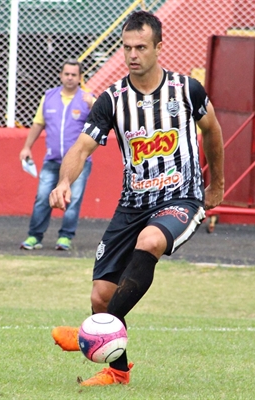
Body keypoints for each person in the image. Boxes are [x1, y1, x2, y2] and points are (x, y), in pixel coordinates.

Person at [50, 11, 224, 385]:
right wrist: (65, 181)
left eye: (141, 47)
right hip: (132, 204)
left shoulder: (187, 90)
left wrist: (217, 186)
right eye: (127, 47)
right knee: (101, 295)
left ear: (159, 47)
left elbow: (212, 131)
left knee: (151, 241)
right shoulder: (112, 100)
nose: (132, 54)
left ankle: (90, 335)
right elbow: (81, 148)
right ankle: (118, 371)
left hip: (182, 198)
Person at [20, 59, 95, 251]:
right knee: (43, 197)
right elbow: (38, 123)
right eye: (67, 74)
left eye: (74, 75)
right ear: (61, 75)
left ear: (80, 78)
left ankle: (65, 237)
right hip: (52, 160)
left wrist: (94, 105)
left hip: (79, 162)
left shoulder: (87, 99)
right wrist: (27, 147)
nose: (70, 78)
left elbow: (101, 124)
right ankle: (34, 237)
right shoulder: (49, 97)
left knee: (74, 199)